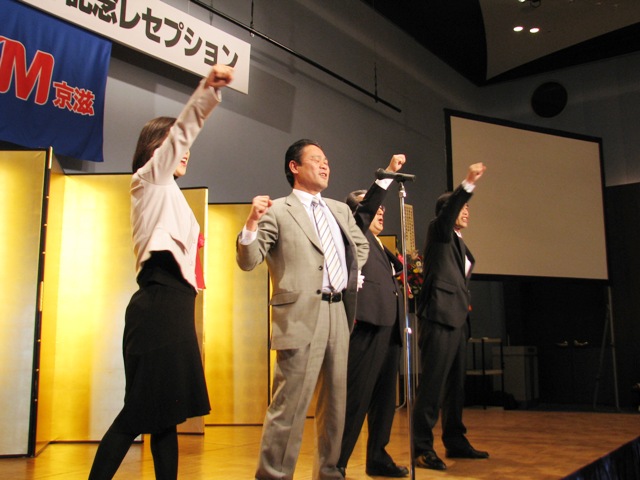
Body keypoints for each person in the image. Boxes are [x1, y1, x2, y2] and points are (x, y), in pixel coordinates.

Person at [88, 64, 234, 480]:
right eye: (174, 144)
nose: (185, 152)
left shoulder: (168, 192)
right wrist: (207, 92)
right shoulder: (149, 180)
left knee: (165, 417)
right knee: (136, 414)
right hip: (157, 307)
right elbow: (182, 135)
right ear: (157, 147)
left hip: (174, 308)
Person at [236, 139, 369, 480]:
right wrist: (250, 224)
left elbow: (361, 245)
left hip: (338, 311)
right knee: (290, 404)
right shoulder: (278, 210)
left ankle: (329, 471)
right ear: (294, 167)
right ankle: (274, 475)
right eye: (316, 159)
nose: (325, 165)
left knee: (336, 403)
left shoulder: (340, 210)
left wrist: (346, 273)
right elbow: (248, 260)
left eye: (327, 161)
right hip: (299, 316)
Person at [412, 162, 489, 471]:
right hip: (438, 318)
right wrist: (468, 183)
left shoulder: (460, 243)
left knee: (456, 389)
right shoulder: (438, 231)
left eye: (468, 208)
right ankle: (421, 448)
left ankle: (456, 440)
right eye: (462, 207)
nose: (466, 211)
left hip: (457, 322)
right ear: (449, 211)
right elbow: (449, 211)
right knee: (432, 386)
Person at [337, 155, 409, 478]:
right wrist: (388, 176)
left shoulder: (380, 245)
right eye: (374, 206)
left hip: (389, 329)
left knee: (384, 400)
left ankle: (377, 456)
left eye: (381, 208)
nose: (381, 211)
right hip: (367, 327)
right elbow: (364, 213)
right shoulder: (356, 233)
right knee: (357, 399)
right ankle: (336, 462)